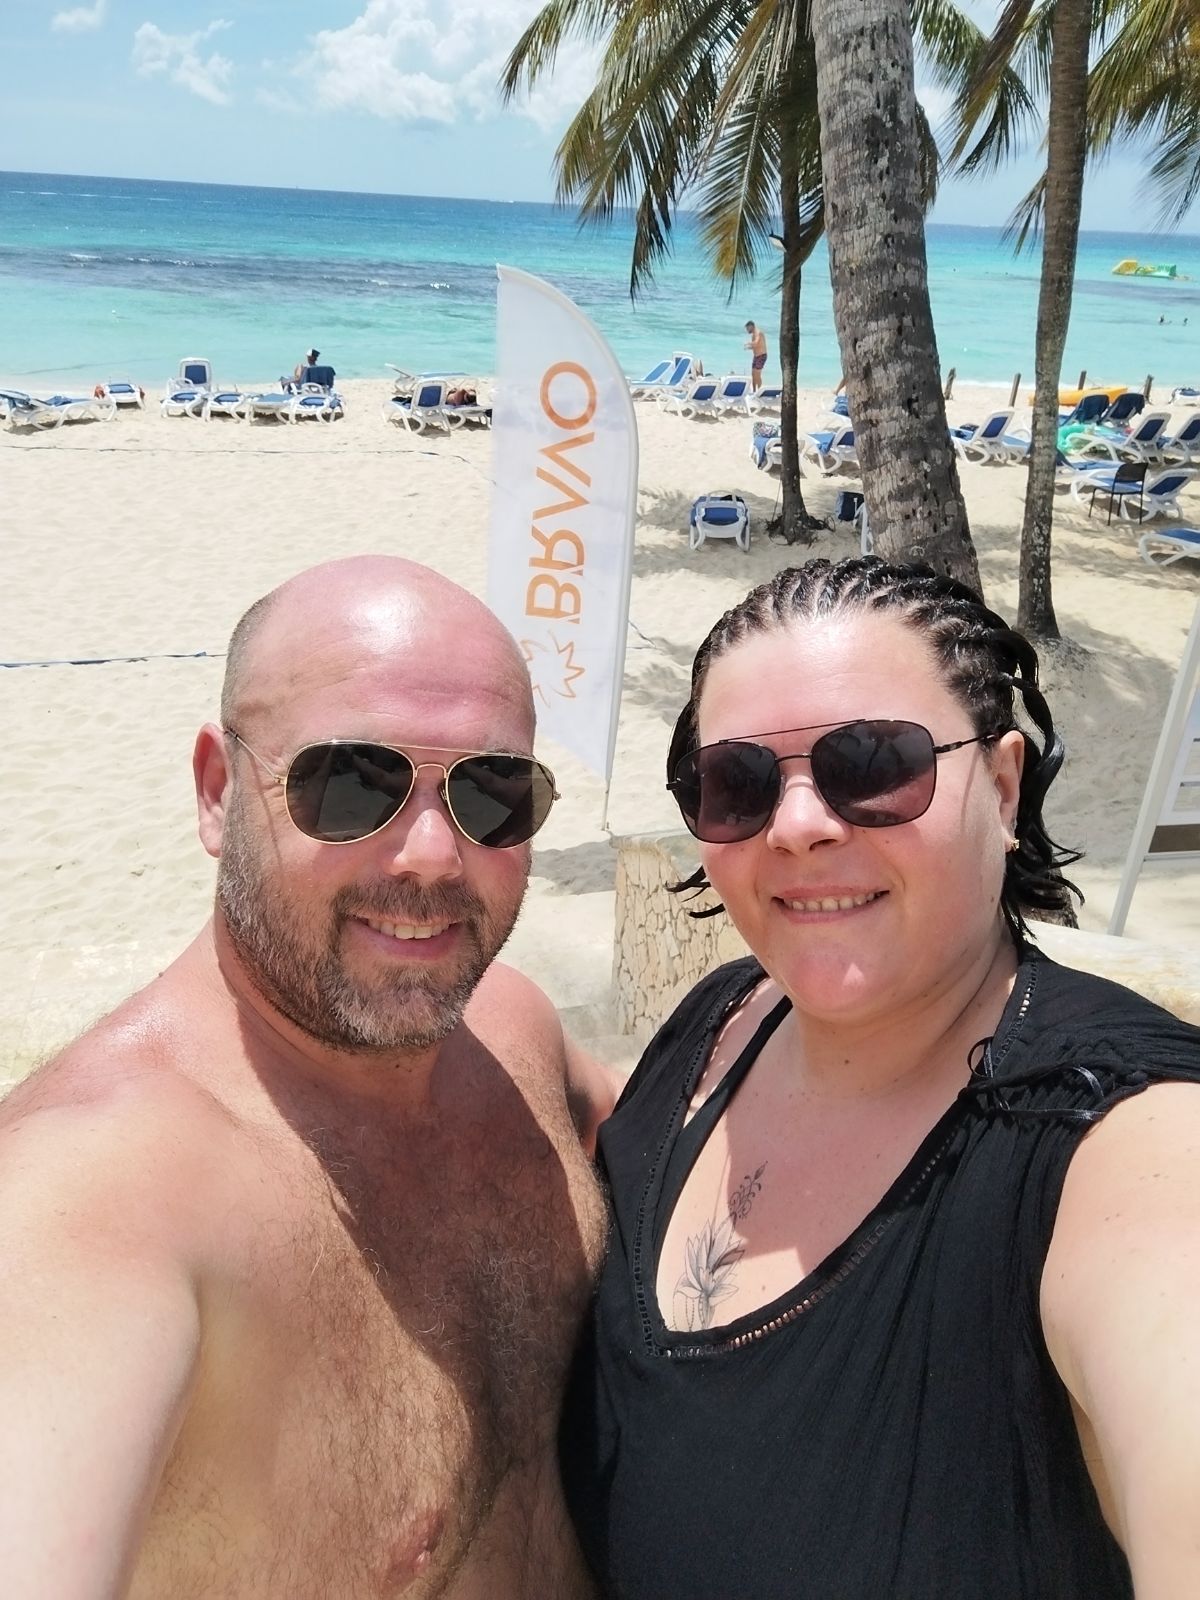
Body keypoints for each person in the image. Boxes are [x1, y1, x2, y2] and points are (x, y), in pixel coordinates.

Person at [560, 556, 1200, 1598]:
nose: (798, 824)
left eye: (871, 764)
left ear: (1003, 788)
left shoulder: (1126, 1147)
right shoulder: (715, 1025)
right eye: (739, 784)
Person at [0, 556, 614, 1597]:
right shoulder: (91, 1200)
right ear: (216, 792)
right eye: (351, 783)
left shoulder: (517, 1039)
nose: (432, 856)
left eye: (492, 792)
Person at [743, 320, 768, 392]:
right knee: (753, 374)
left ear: (751, 326)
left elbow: (756, 342)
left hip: (761, 356)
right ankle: (754, 391)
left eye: (747, 328)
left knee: (757, 375)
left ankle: (759, 391)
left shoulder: (758, 333)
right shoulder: (753, 335)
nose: (747, 330)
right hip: (756, 356)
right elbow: (756, 346)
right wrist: (748, 348)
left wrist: (748, 343)